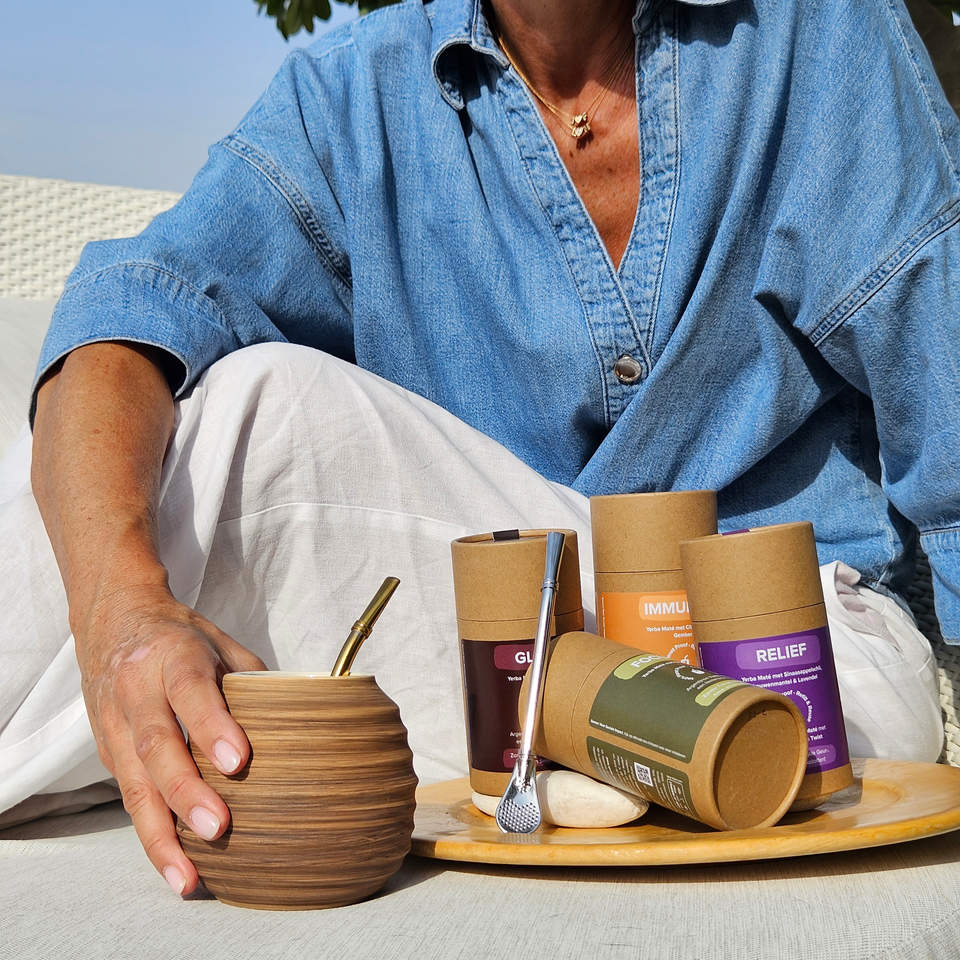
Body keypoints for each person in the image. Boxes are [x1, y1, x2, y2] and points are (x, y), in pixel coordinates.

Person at [1, 0, 957, 897]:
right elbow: (129, 315)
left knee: (263, 408)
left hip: (800, 669)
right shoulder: (353, 94)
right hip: (500, 669)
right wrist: (121, 609)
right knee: (134, 446)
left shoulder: (818, 34)